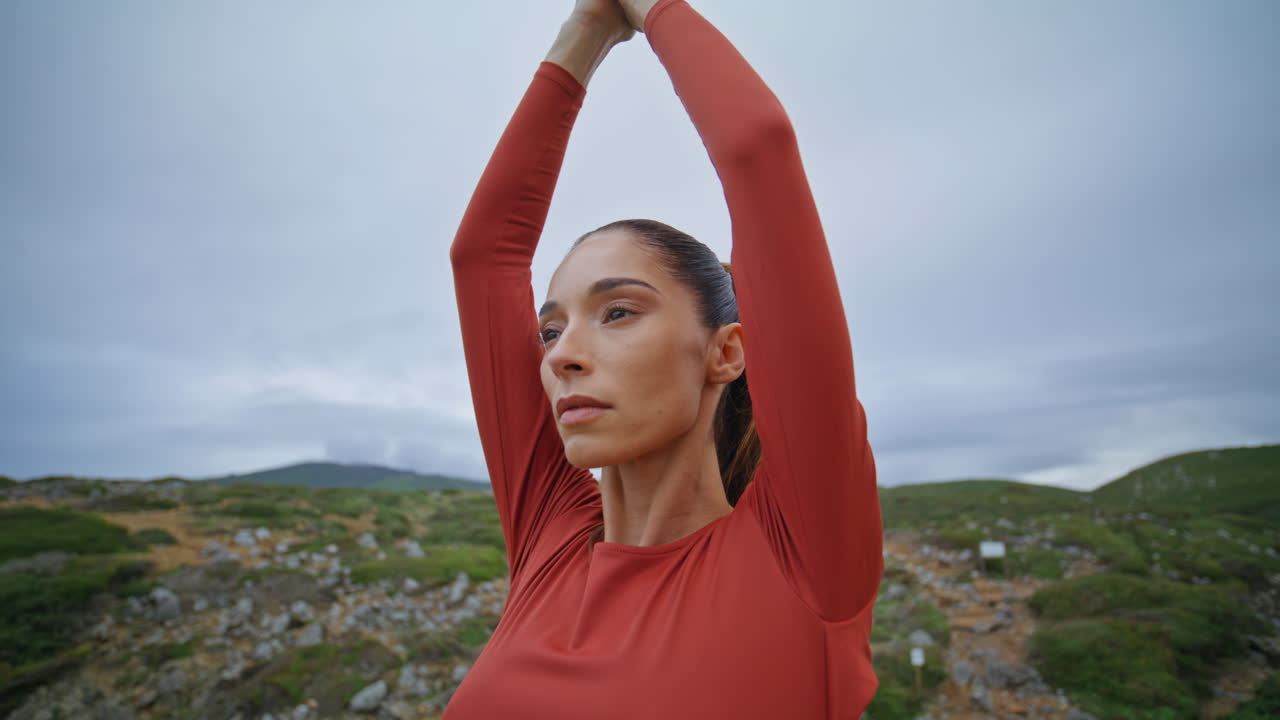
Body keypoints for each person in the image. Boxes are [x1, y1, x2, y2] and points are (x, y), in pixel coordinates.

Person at [446, 0, 884, 716]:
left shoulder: (804, 557)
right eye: (550, 331)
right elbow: (482, 261)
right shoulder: (549, 541)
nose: (562, 357)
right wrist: (585, 31)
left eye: (618, 312)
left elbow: (757, 146)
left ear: (726, 352)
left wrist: (648, 10)